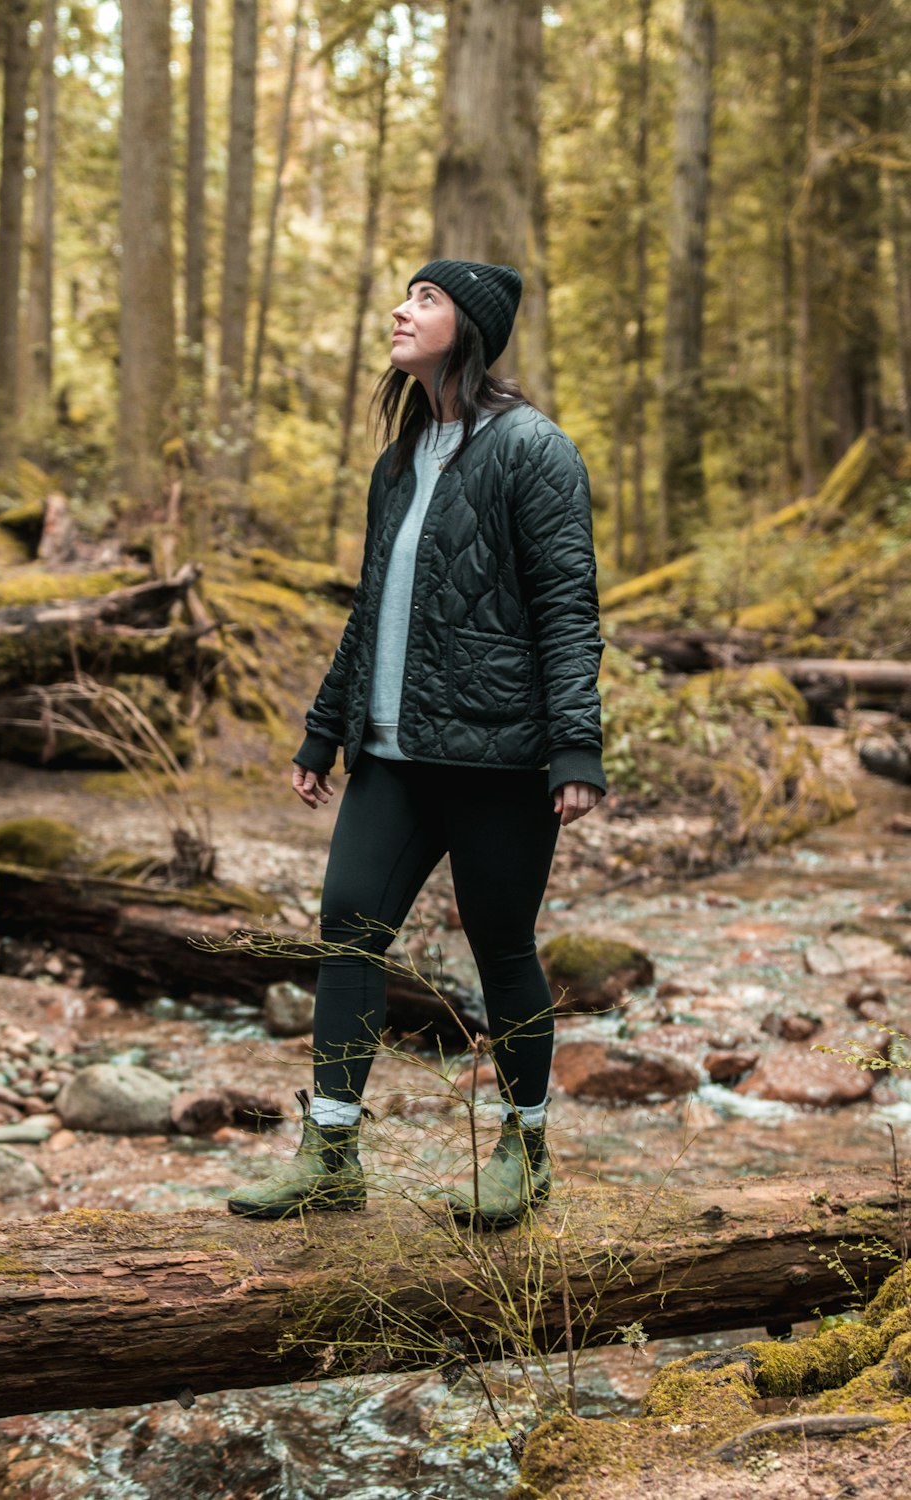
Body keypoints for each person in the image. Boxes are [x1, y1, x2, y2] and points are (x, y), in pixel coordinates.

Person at [228, 258, 606, 1227]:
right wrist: (323, 728)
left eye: (425, 299)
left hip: (496, 759)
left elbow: (567, 607)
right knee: (348, 931)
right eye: (407, 296)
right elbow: (370, 612)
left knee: (501, 951)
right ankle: (332, 1149)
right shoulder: (397, 462)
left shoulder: (533, 449)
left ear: (469, 326)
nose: (401, 310)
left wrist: (573, 748)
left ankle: (525, 1146)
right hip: (388, 756)